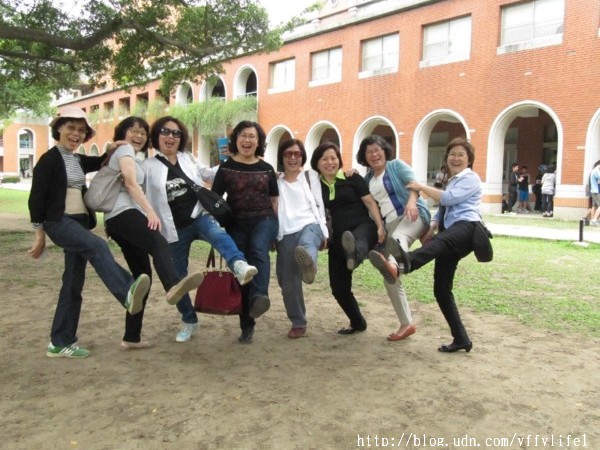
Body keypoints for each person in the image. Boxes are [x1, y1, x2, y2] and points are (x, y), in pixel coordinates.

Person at [28, 106, 151, 359]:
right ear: (59, 129)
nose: (76, 134)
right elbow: (36, 198)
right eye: (71, 128)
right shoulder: (49, 160)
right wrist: (39, 233)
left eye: (81, 131)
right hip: (59, 222)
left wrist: (110, 150)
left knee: (73, 283)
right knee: (97, 246)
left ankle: (60, 342)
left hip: (79, 223)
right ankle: (127, 291)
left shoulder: (76, 159)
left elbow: (98, 163)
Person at [144, 116, 258, 343]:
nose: (170, 137)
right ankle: (189, 319)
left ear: (181, 138)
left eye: (176, 133)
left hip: (199, 215)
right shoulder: (147, 166)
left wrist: (235, 160)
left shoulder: (187, 158)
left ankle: (239, 265)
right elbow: (132, 187)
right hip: (172, 228)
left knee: (219, 235)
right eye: (165, 132)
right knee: (178, 278)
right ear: (156, 136)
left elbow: (209, 173)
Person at [103, 116, 206, 350]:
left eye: (142, 132)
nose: (138, 136)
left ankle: (131, 336)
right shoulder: (125, 152)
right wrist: (150, 212)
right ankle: (172, 286)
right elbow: (130, 184)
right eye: (133, 131)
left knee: (142, 277)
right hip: (125, 214)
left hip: (121, 219)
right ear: (122, 133)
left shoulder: (133, 157)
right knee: (158, 241)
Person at [375, 137, 481, 353]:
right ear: (447, 158)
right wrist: (430, 227)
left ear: (469, 159)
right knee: (441, 289)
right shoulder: (452, 180)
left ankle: (404, 263)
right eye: (452, 154)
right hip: (449, 231)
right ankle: (461, 338)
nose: (456, 158)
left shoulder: (471, 178)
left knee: (442, 241)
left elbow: (449, 199)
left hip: (467, 227)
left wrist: (420, 187)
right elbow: (442, 210)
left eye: (461, 155)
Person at [356, 135, 430, 341]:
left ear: (385, 150)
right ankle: (406, 323)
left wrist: (412, 203)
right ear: (364, 157)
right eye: (369, 152)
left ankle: (397, 263)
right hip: (390, 225)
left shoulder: (396, 166)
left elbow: (414, 185)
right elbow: (371, 206)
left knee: (398, 239)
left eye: (377, 149)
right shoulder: (367, 180)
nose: (374, 154)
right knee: (389, 277)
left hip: (412, 215)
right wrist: (380, 227)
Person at [211, 120, 279, 344]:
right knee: (242, 270)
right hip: (236, 222)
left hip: (265, 219)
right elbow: (215, 198)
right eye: (243, 135)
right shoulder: (226, 168)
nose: (247, 140)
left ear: (258, 142)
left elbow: (274, 198)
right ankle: (246, 325)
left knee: (258, 250)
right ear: (236, 140)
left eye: (252, 136)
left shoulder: (266, 168)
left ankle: (260, 297)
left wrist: (274, 229)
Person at [310, 142, 385, 334]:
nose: (330, 162)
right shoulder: (315, 185)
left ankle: (355, 255)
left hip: (363, 227)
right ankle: (358, 322)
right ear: (317, 163)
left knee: (357, 239)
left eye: (333, 158)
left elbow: (370, 203)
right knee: (338, 288)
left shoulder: (352, 178)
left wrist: (379, 226)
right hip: (338, 238)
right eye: (324, 159)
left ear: (339, 160)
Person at [275, 139, 328, 339]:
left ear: (302, 157)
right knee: (287, 281)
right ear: (282, 157)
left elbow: (321, 199)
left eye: (297, 154)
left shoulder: (310, 176)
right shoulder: (276, 181)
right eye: (288, 154)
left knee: (306, 245)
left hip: (311, 225)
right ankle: (298, 322)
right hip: (286, 233)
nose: (293, 158)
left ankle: (309, 266)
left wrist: (325, 231)